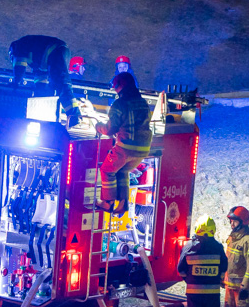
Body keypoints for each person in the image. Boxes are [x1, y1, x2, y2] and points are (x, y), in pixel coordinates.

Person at [94, 72, 153, 214]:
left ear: (120, 87)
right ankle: (123, 204)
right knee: (123, 171)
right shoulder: (143, 102)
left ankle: (108, 203)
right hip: (144, 149)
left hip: (126, 147)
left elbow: (110, 129)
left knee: (107, 170)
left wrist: (97, 126)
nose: (115, 90)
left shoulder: (119, 104)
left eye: (116, 87)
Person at [178, 215, 228, 307]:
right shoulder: (218, 247)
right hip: (212, 295)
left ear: (197, 229)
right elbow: (223, 267)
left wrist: (190, 281)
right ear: (213, 230)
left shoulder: (188, 247)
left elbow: (181, 270)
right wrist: (217, 280)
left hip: (194, 296)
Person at [8, 35, 81, 127]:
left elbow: (19, 68)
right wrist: (40, 94)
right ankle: (69, 116)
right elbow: (40, 76)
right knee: (55, 85)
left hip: (56, 51)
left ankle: (75, 117)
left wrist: (15, 83)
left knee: (61, 84)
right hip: (56, 52)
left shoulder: (18, 47)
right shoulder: (34, 54)